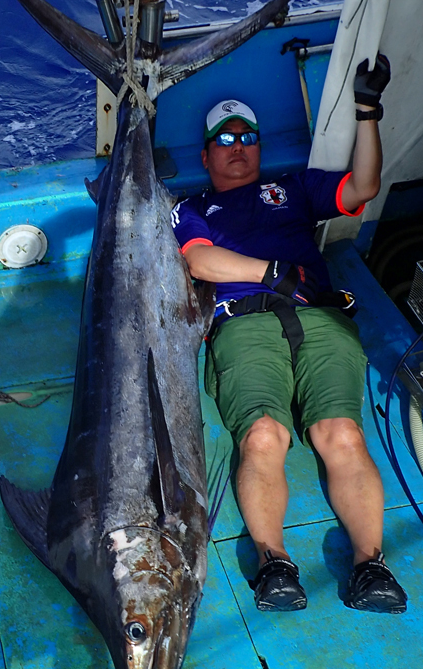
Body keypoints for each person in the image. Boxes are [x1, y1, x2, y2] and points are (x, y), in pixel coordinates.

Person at [170, 55, 408, 614]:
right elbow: (201, 263)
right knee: (263, 437)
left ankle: (370, 565)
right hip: (244, 323)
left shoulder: (293, 189)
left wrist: (368, 110)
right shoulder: (191, 208)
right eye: (223, 138)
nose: (237, 144)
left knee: (342, 434)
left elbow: (364, 186)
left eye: (247, 135)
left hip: (321, 317)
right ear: (205, 155)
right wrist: (267, 272)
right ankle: (274, 562)